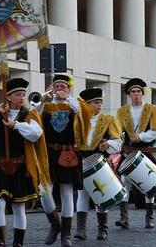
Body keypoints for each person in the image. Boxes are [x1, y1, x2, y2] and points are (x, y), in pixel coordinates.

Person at [0, 78, 50, 247]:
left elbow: (36, 134)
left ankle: (18, 243)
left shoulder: (29, 114)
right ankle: (0, 242)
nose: (22, 97)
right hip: (0, 166)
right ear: (8, 97)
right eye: (18, 94)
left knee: (18, 207)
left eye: (23, 94)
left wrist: (15, 125)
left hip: (21, 167)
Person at [38, 74, 92, 247]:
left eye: (63, 86)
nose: (59, 89)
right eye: (57, 86)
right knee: (44, 191)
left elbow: (85, 115)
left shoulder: (76, 103)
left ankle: (65, 235)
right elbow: (32, 115)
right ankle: (55, 225)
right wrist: (41, 100)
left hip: (69, 152)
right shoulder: (45, 105)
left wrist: (67, 98)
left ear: (69, 89)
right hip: (49, 152)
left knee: (67, 193)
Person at [74, 88, 122, 241]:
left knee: (101, 193)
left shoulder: (108, 120)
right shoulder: (77, 119)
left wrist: (108, 144)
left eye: (100, 102)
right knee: (82, 194)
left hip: (100, 159)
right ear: (87, 104)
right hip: (81, 159)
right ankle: (80, 229)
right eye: (95, 102)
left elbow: (118, 142)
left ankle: (103, 228)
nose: (99, 105)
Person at [116, 78, 156, 229]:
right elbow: (117, 131)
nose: (136, 94)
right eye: (133, 92)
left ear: (143, 93)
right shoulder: (122, 111)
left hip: (145, 150)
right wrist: (122, 138)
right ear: (129, 94)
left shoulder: (152, 109)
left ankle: (149, 217)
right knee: (125, 182)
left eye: (138, 92)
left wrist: (141, 136)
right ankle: (124, 218)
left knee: (149, 184)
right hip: (129, 151)